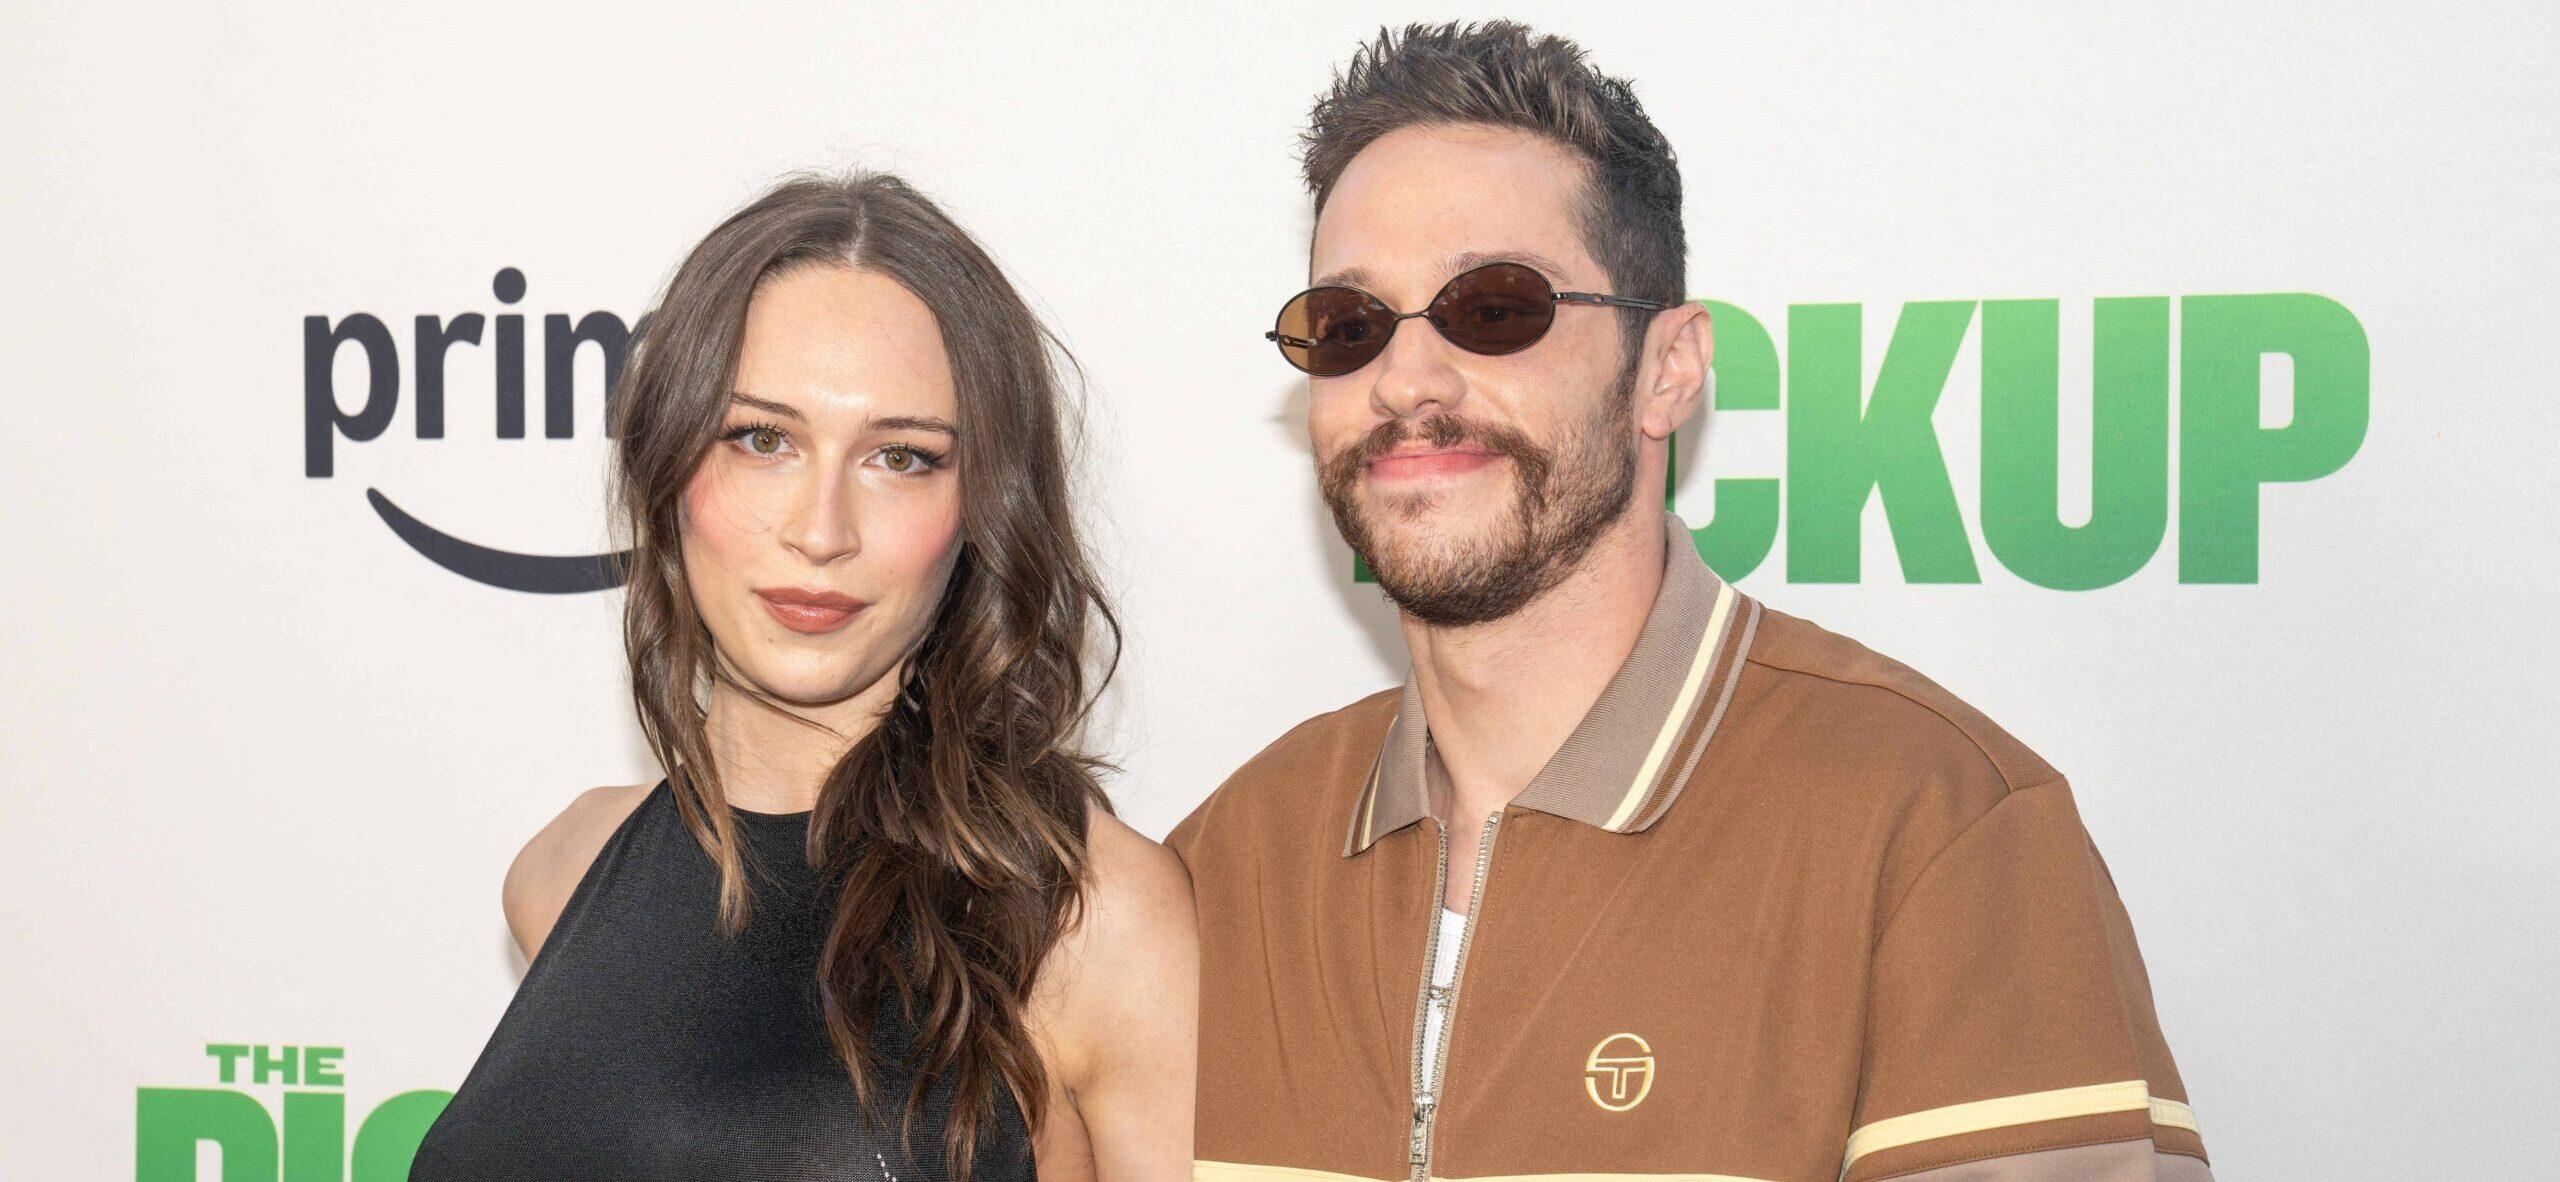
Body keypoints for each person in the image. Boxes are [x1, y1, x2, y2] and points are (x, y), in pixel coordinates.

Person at [1170, 22, 2212, 1182]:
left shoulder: (1937, 827)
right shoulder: (1225, 863)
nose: (1407, 379)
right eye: (1351, 327)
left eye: (1494, 307)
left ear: (1667, 369)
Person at [412, 172, 1196, 1182]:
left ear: (981, 509)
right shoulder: (562, 870)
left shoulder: (1092, 916)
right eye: (761, 440)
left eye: (901, 459)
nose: (821, 532)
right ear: (666, 466)